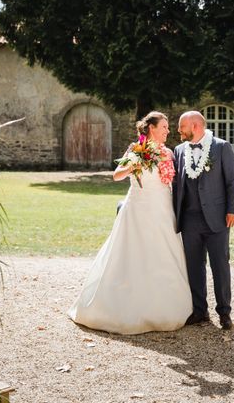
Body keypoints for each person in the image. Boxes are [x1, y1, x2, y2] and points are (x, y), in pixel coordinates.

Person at [68, 111, 192, 334]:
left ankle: (164, 306)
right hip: (137, 209)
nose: (167, 131)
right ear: (152, 128)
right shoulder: (136, 149)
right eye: (164, 127)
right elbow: (117, 175)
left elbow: (173, 182)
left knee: (163, 253)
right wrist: (134, 165)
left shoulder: (169, 153)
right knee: (132, 254)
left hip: (163, 209)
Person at [172, 111, 234, 330]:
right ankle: (200, 311)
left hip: (217, 219)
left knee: (220, 265)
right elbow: (175, 185)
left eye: (182, 126)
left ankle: (224, 313)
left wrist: (232, 210)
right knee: (194, 266)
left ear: (195, 126)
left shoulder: (221, 147)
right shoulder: (179, 150)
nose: (178, 130)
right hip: (190, 219)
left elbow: (232, 181)